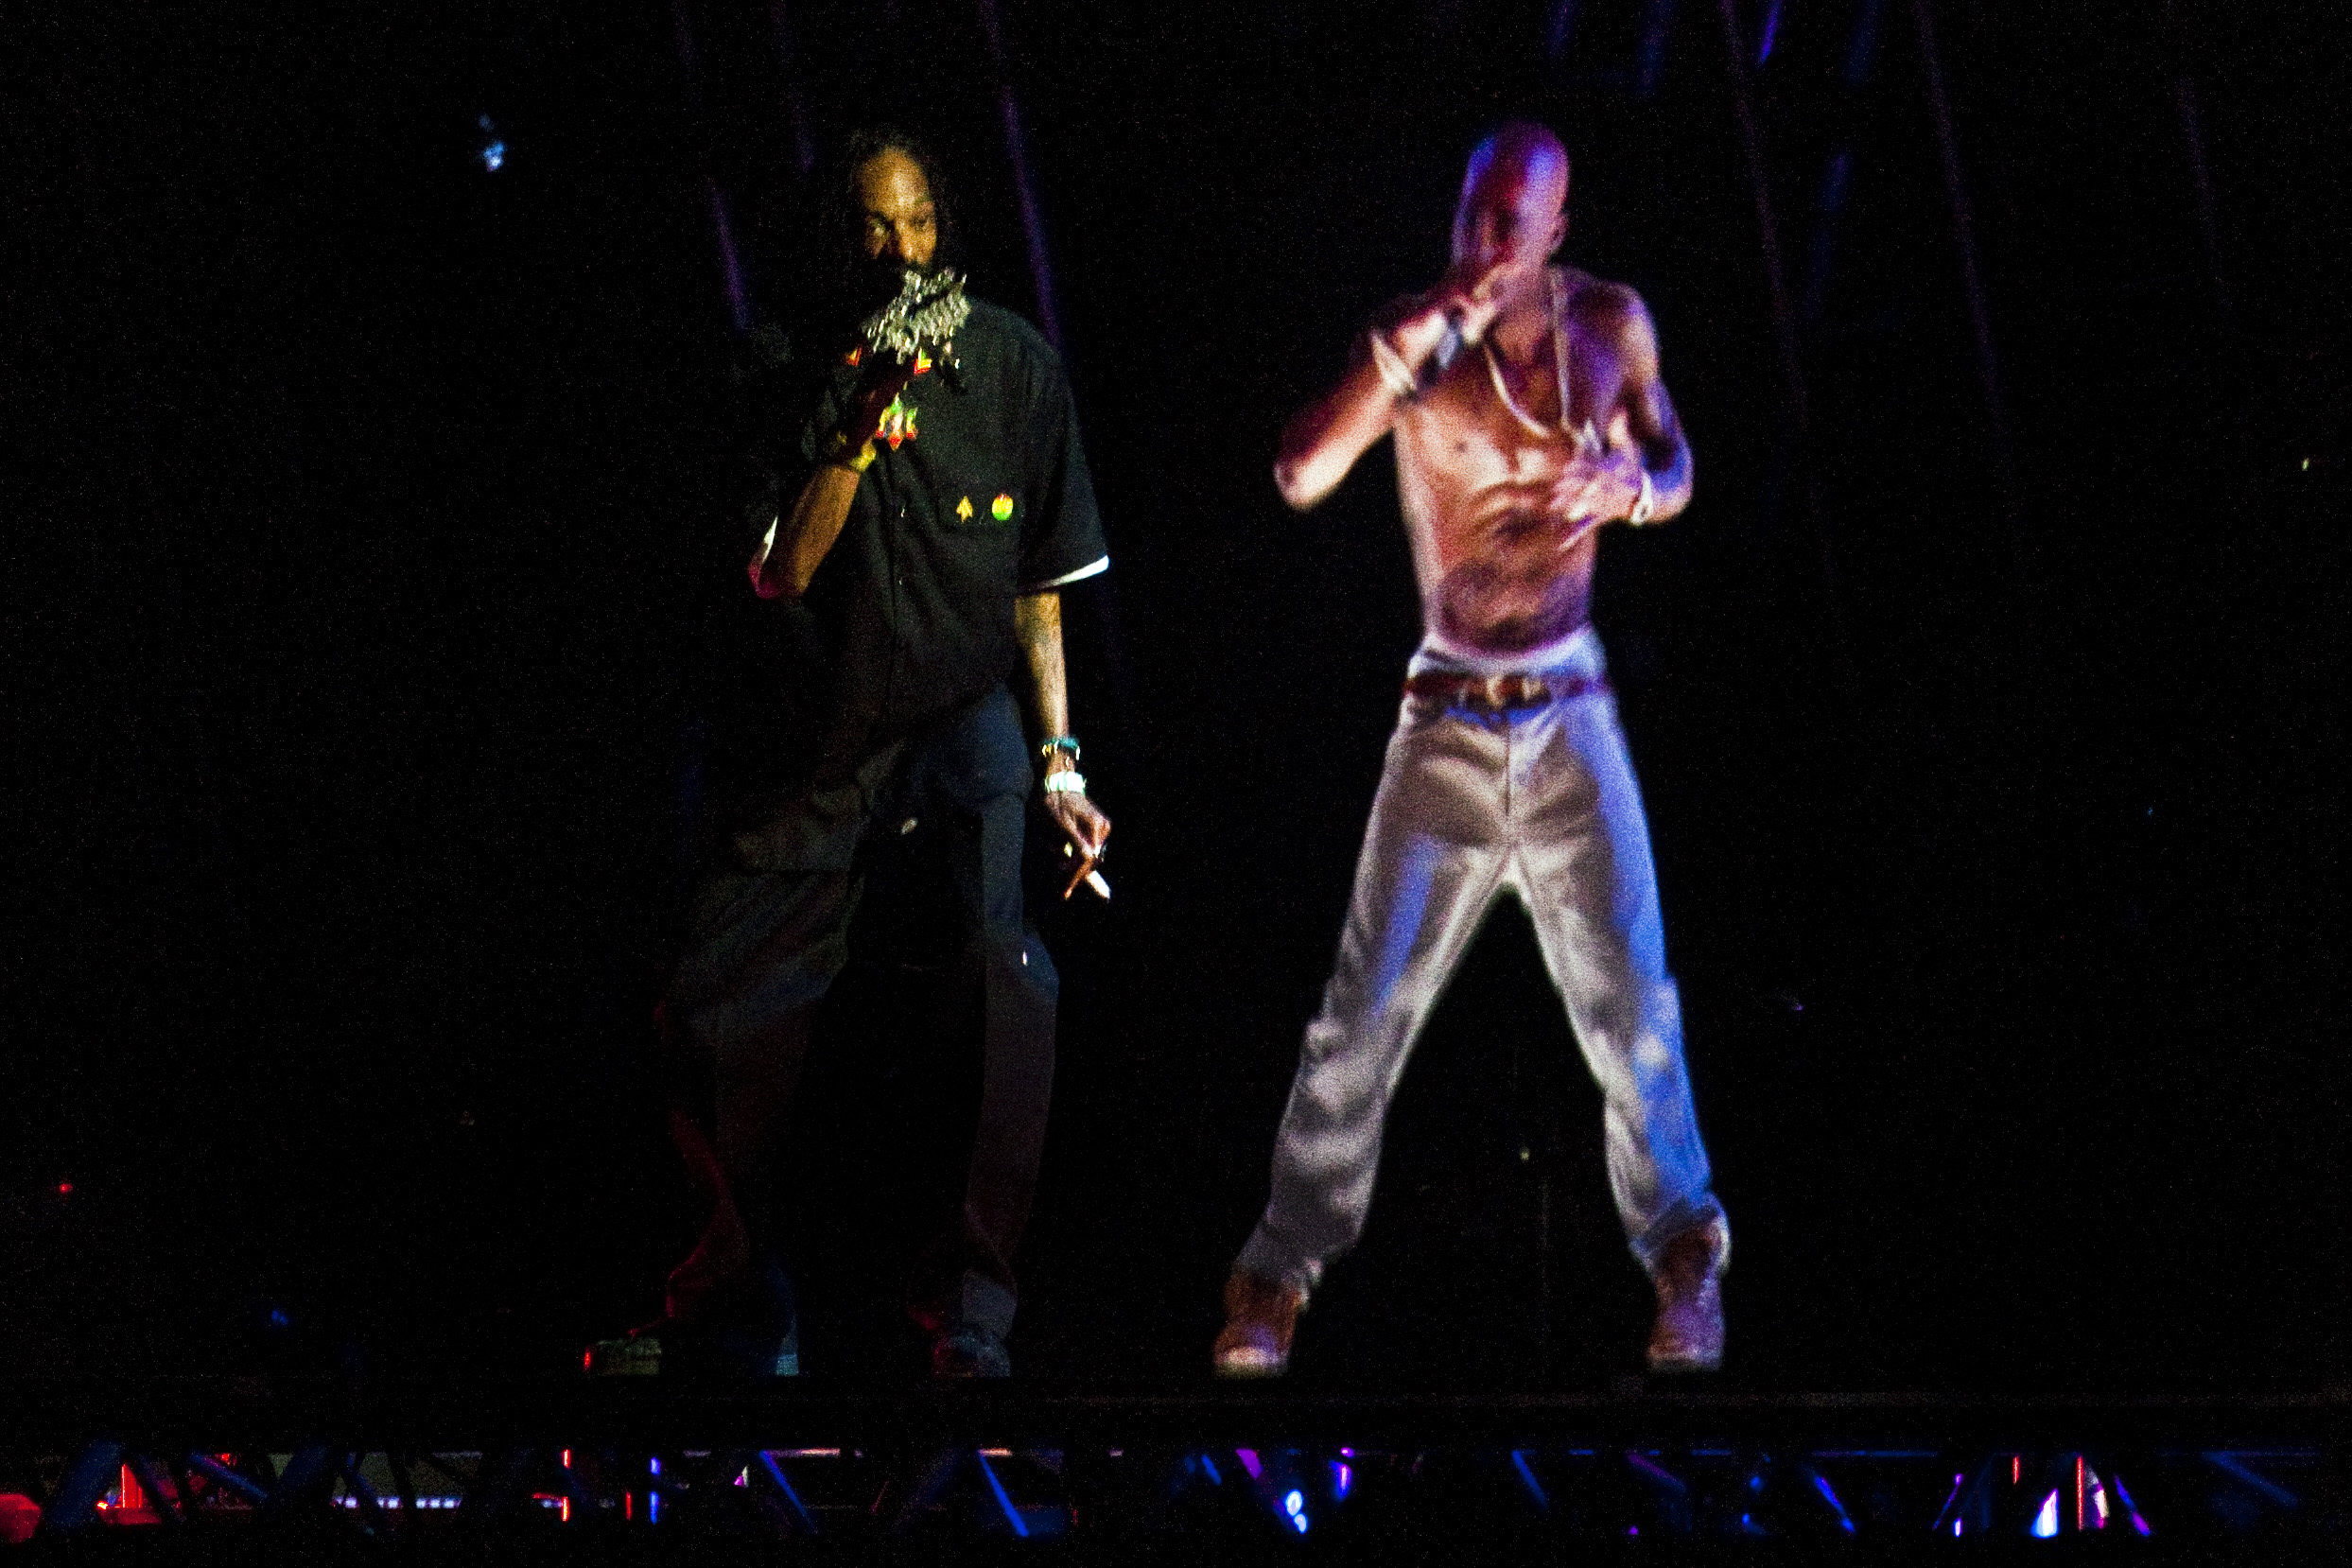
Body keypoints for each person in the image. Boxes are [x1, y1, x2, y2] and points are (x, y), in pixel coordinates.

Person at [1213, 123, 1728, 1377]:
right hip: (1446, 714)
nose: (1488, 242)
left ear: (1558, 226)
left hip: (1569, 711)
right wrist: (1407, 347)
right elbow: (1297, 471)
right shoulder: (1414, 342)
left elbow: (1676, 458)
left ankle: (1686, 1261)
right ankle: (1274, 1278)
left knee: (1635, 1007)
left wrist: (1636, 493)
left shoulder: (1612, 327)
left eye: (1514, 221)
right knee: (1361, 1012)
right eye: (1472, 215)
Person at [608, 127, 1112, 1381]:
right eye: (879, 229)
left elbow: (1041, 583)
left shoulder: (1010, 365)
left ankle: (973, 1322)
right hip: (822, 726)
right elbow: (785, 567)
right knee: (712, 1006)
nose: (904, 253)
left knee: (1005, 971)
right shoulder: (778, 371)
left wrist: (1058, 756)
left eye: (922, 226)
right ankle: (738, 1299)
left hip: (960, 712)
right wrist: (855, 415)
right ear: (845, 238)